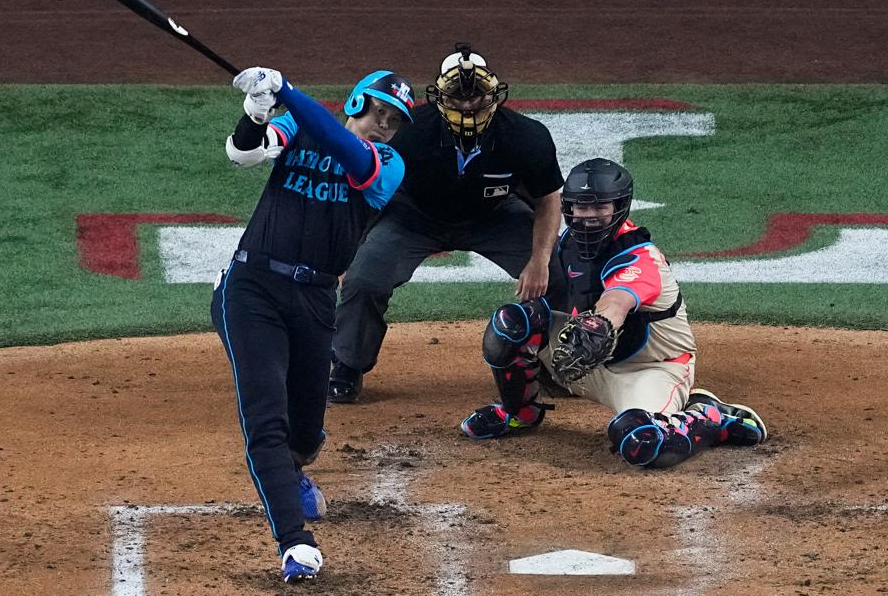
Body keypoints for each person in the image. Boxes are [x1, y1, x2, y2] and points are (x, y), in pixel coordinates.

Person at [211, 65, 415, 582]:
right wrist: (256, 115)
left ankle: (295, 466)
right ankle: (294, 543)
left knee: (304, 430)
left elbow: (345, 151)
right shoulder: (299, 127)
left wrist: (288, 92)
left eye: (392, 121)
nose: (382, 125)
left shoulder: (386, 165)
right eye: (376, 111)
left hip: (316, 299)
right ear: (355, 104)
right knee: (266, 421)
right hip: (252, 288)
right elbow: (244, 154)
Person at [459, 158, 768, 469]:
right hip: (591, 359)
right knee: (512, 324)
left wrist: (598, 324)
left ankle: (711, 417)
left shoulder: (640, 258)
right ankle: (519, 414)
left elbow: (617, 301)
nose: (588, 217)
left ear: (620, 207)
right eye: (581, 208)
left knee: (642, 443)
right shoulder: (568, 244)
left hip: (649, 369)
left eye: (599, 208)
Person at [328, 43, 568, 403]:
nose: (468, 106)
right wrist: (347, 251)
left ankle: (554, 364)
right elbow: (369, 188)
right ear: (439, 97)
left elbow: (549, 198)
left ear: (494, 95)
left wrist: (538, 261)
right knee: (363, 279)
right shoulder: (408, 132)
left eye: (476, 97)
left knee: (560, 273)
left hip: (494, 215)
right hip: (414, 216)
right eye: (457, 98)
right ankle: (348, 364)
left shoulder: (526, 136)